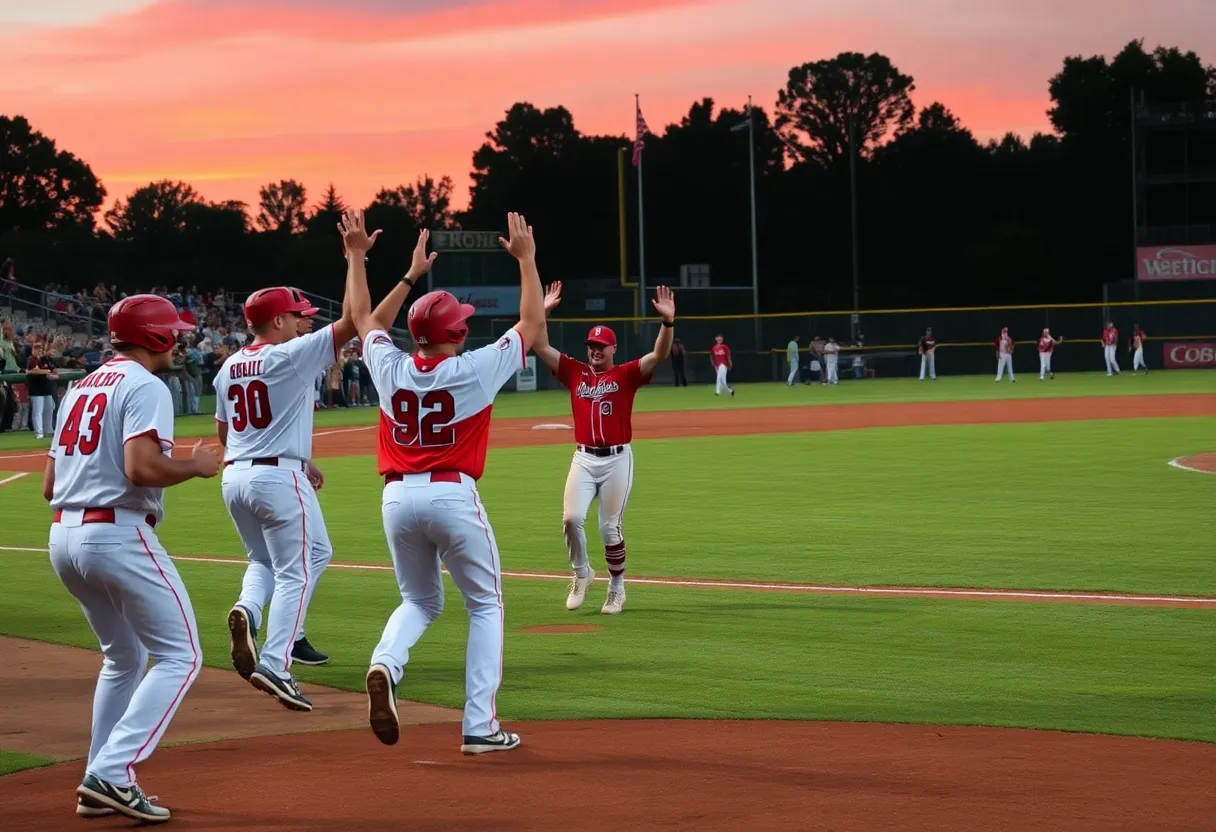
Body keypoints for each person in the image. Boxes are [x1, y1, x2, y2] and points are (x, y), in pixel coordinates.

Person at [350, 210, 543, 755]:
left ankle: (386, 663)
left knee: (419, 600)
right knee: (485, 605)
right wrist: (527, 261)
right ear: (457, 331)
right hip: (451, 494)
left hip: (396, 497)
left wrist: (375, 263)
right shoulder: (473, 369)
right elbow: (530, 325)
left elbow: (364, 318)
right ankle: (479, 726)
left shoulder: (389, 366)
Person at [43, 295, 220, 823]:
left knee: (123, 657)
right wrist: (194, 466)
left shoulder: (79, 387)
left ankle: (98, 779)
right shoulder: (145, 385)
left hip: (64, 537)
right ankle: (112, 773)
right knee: (182, 656)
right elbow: (142, 468)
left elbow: (51, 482)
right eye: (173, 330)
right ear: (156, 338)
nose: (180, 337)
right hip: (116, 535)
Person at [214, 279, 354, 711]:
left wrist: (296, 455)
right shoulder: (289, 354)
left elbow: (226, 431)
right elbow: (352, 322)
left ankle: (249, 609)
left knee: (269, 559)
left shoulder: (228, 366)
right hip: (277, 477)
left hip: (235, 475)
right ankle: (277, 662)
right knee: (299, 568)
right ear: (277, 319)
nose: (302, 322)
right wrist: (354, 258)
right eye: (297, 316)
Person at [530, 280, 674, 614]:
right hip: (583, 457)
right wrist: (543, 311)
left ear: (613, 349)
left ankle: (617, 586)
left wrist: (667, 323)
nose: (595, 350)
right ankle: (581, 572)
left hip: (617, 459)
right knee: (570, 518)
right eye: (591, 345)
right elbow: (540, 346)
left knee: (609, 528)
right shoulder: (574, 372)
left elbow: (659, 354)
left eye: (601, 346)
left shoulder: (625, 375)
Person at [26, 342, 58, 438]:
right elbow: (32, 371)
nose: (38, 351)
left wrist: (52, 374)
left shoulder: (44, 360)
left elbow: (53, 370)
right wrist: (46, 371)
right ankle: (39, 432)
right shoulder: (32, 359)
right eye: (36, 349)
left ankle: (48, 429)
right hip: (36, 388)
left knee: (50, 407)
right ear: (33, 350)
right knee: (38, 411)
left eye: (40, 349)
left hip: (46, 387)